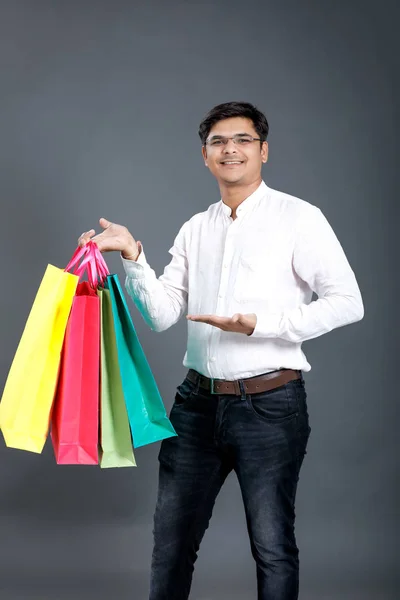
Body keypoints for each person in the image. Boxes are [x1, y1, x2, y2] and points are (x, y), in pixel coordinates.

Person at [78, 101, 364, 600]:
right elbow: (164, 314)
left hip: (270, 407)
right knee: (171, 545)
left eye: (243, 140)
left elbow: (348, 303)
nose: (230, 149)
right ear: (205, 157)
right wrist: (133, 256)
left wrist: (262, 325)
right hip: (196, 407)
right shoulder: (196, 227)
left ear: (263, 151)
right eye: (218, 142)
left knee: (272, 547)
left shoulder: (299, 218)